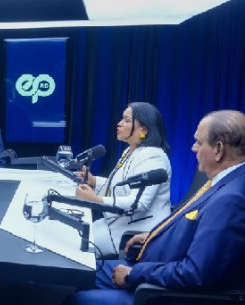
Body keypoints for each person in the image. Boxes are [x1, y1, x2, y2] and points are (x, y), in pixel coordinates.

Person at [30, 110, 245, 305]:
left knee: (81, 304)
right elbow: (200, 229)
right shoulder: (241, 178)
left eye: (198, 142)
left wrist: (135, 274)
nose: (193, 148)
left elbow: (196, 275)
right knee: (85, 271)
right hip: (166, 271)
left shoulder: (233, 199)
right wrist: (154, 235)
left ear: (219, 149)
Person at [74, 102, 172, 258]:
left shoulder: (153, 156)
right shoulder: (130, 150)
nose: (119, 124)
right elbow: (120, 187)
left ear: (144, 129)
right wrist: (93, 181)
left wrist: (96, 200)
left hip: (132, 234)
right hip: (113, 224)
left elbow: (139, 203)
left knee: (73, 247)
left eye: (127, 120)